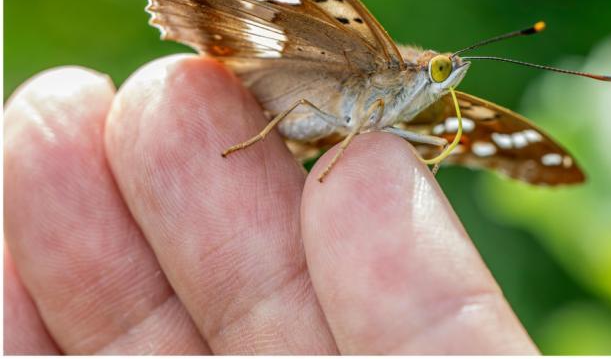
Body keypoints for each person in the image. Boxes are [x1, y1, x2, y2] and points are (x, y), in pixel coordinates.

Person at [4, 55, 538, 354]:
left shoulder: (424, 101)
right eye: (443, 72)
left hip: (320, 127)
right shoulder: (386, 65)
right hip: (282, 100)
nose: (447, 84)